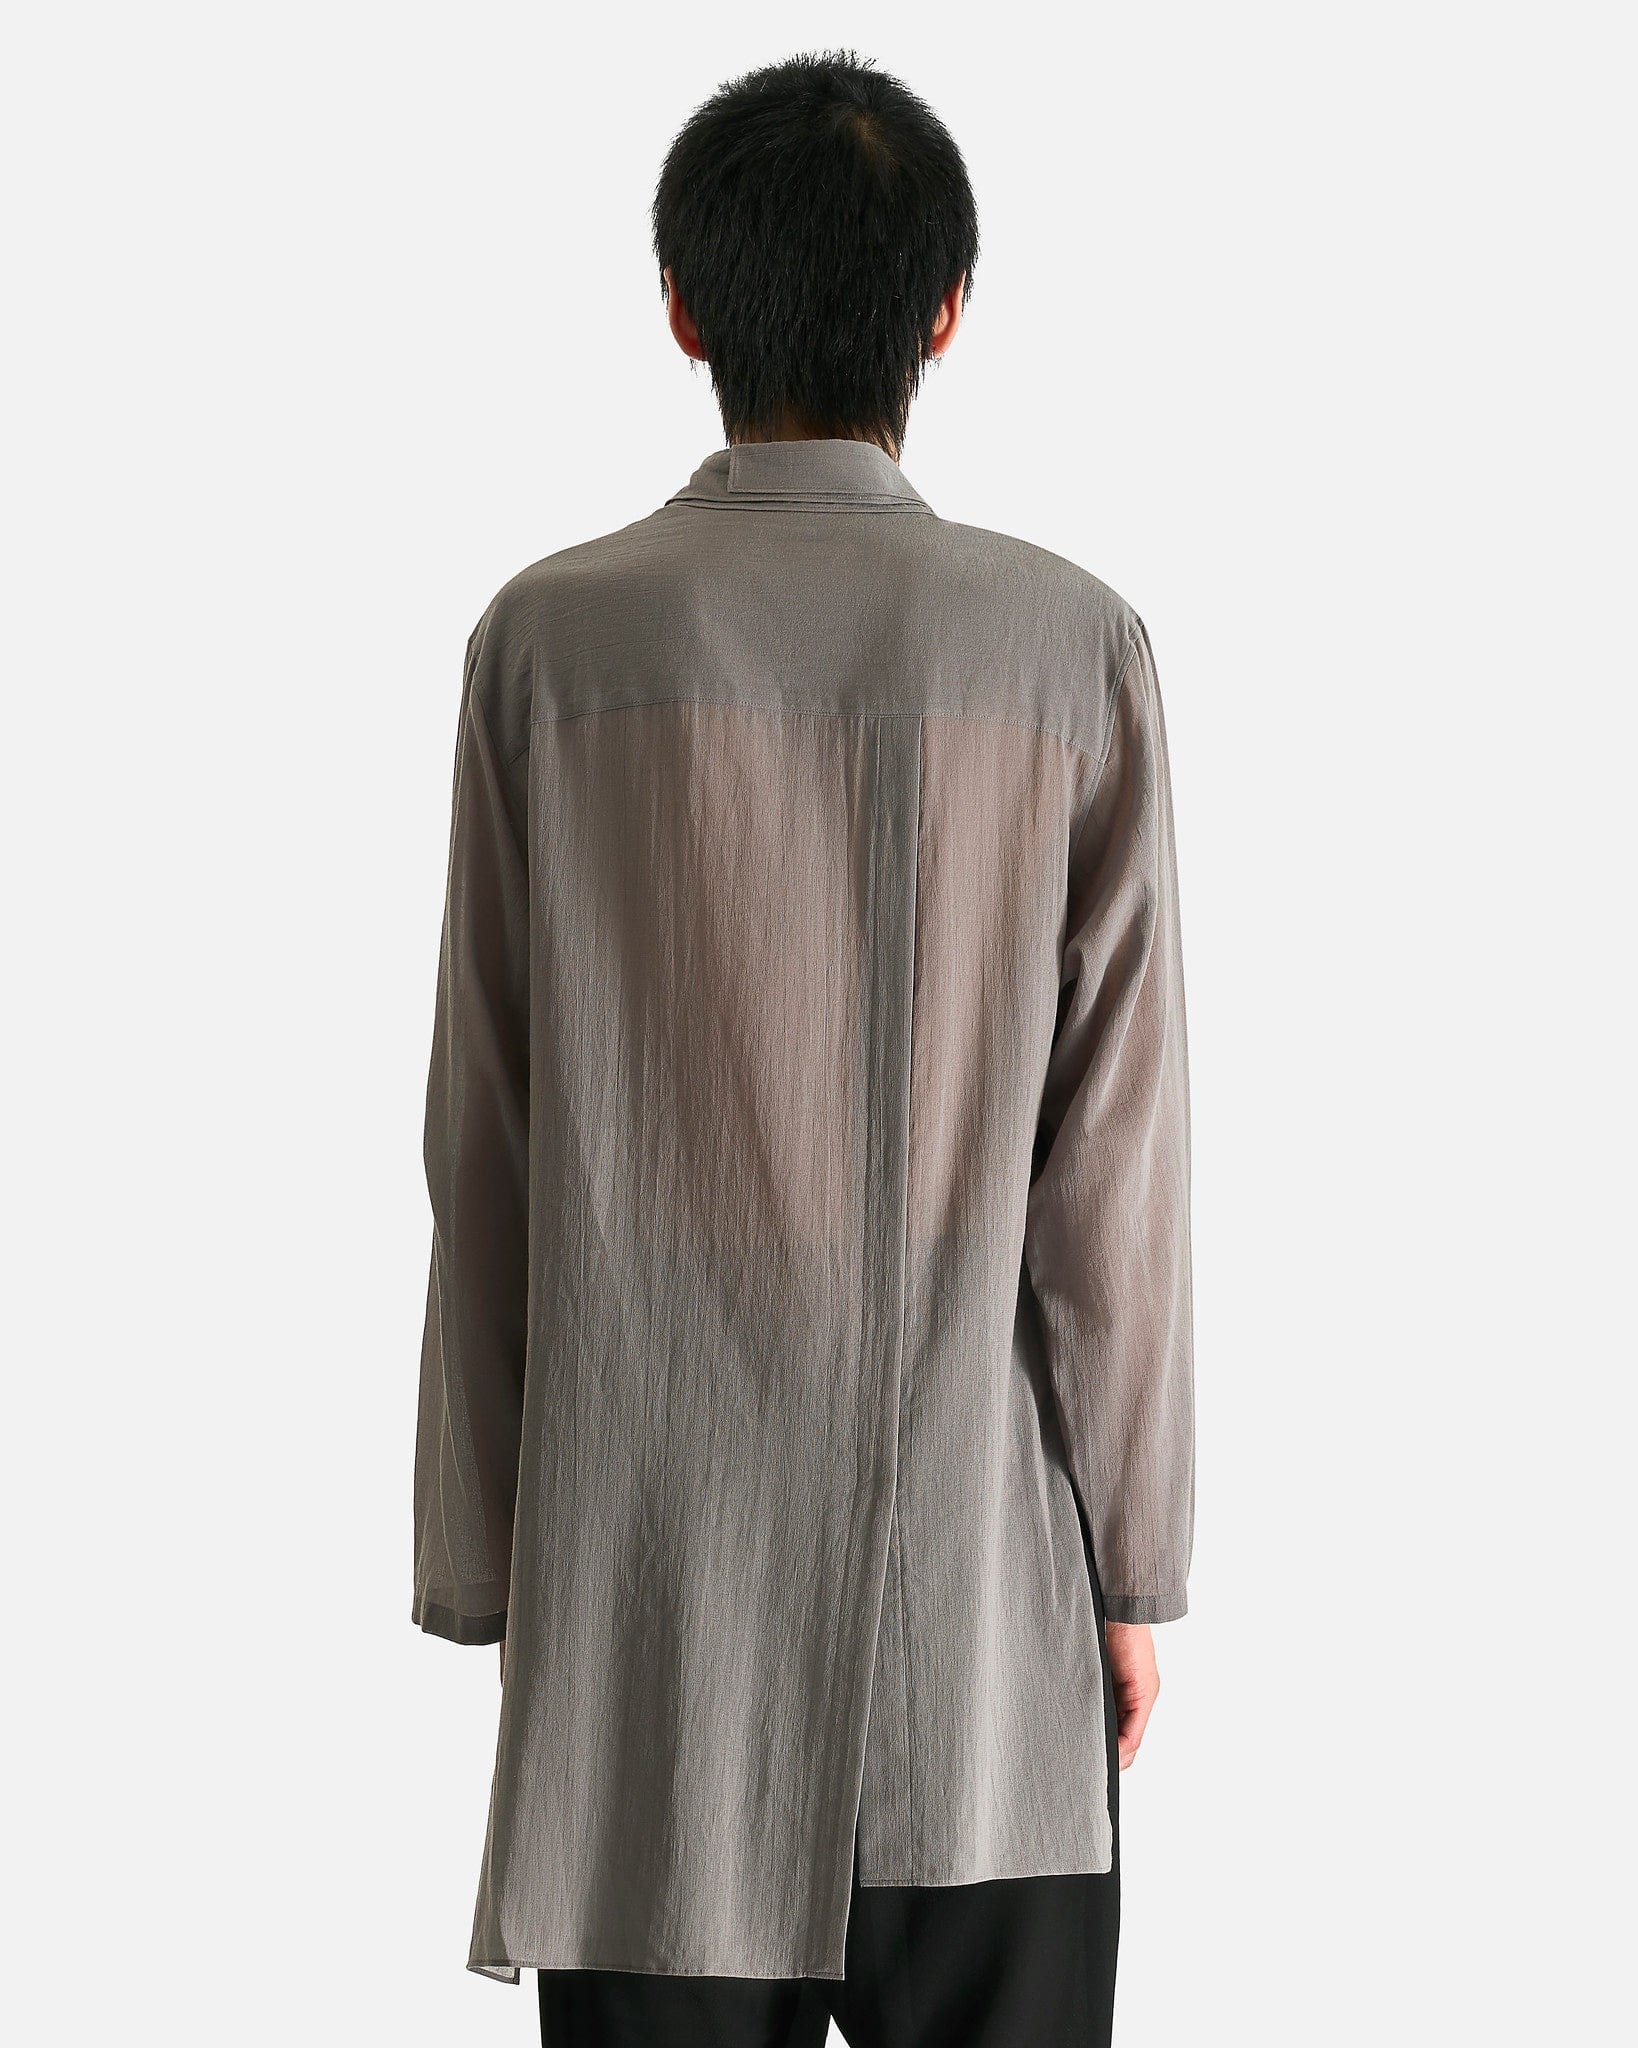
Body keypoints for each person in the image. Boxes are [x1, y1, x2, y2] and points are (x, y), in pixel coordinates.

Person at [412, 49, 1194, 2048]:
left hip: (648, 1615)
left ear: (683, 309)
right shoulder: (1072, 648)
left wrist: (488, 1556)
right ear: (946, 313)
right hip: (978, 1614)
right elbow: (1111, 1172)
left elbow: (483, 1139)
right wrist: (1129, 1568)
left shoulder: (549, 645)